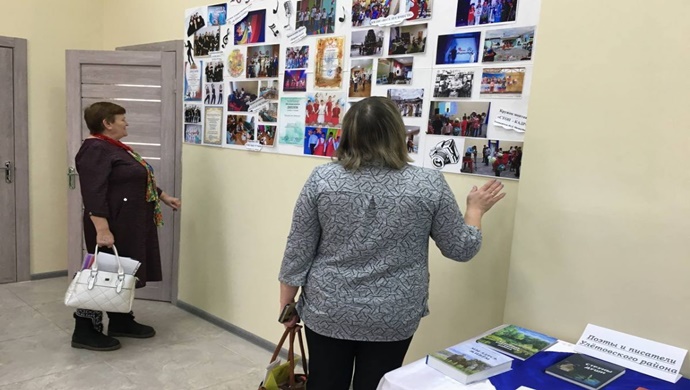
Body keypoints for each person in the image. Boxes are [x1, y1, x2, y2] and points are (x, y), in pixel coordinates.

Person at [278, 97, 505, 390]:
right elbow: (460, 249)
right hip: (394, 313)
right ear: (399, 133)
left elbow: (298, 248)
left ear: (348, 132)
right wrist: (475, 210)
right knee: (377, 384)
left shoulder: (324, 179)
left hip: (328, 309)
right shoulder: (428, 183)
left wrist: (287, 305)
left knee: (325, 382)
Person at [73, 102, 181, 351]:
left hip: (128, 224)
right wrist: (102, 229)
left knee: (122, 274)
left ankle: (121, 320)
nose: (127, 123)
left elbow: (132, 179)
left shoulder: (113, 147)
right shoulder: (95, 150)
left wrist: (163, 196)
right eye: (122, 119)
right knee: (101, 276)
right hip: (111, 225)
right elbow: (93, 193)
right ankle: (85, 330)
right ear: (107, 123)